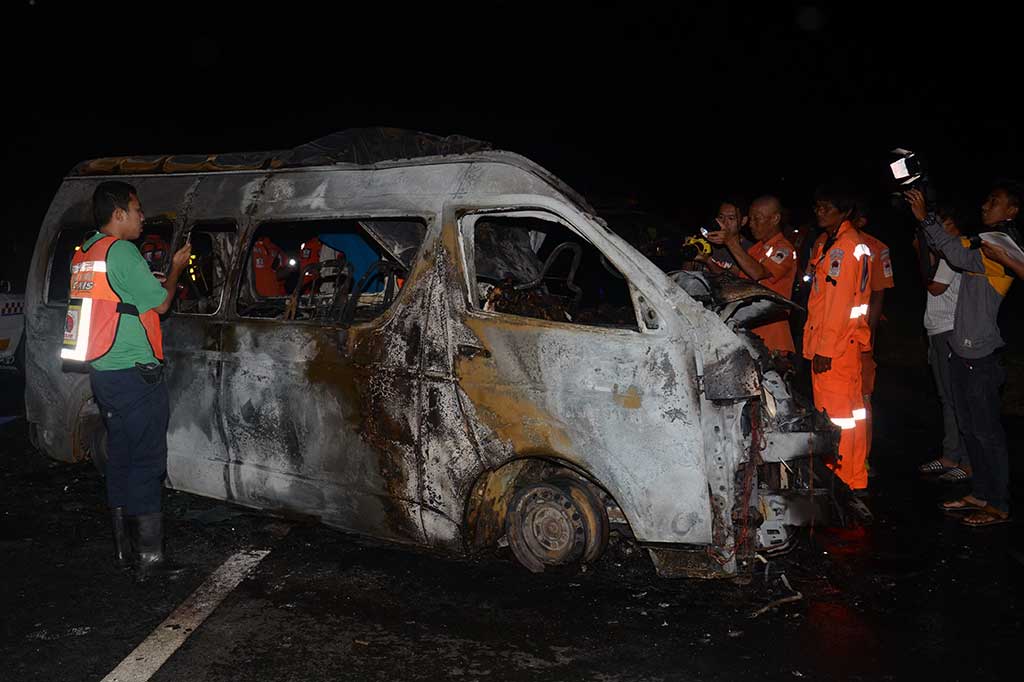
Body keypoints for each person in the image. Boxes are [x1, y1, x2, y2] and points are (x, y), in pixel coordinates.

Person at [70, 181, 191, 579]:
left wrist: (145, 280)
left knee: (120, 456)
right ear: (118, 213)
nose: (143, 217)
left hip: (104, 372)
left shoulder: (88, 251)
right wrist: (175, 268)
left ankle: (124, 551)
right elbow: (161, 303)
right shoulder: (122, 251)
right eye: (137, 210)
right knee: (146, 461)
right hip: (136, 375)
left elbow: (115, 298)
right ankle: (151, 562)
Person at [907, 181, 1020, 526]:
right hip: (962, 348)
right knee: (970, 428)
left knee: (986, 433)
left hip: (981, 355)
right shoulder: (986, 244)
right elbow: (955, 251)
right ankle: (981, 493)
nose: (986, 205)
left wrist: (926, 219)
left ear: (1012, 211)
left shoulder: (1001, 244)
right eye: (987, 199)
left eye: (995, 200)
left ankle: (998, 504)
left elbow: (954, 253)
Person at [803, 186, 873, 493]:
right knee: (851, 416)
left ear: (844, 212)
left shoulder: (844, 247)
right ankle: (852, 476)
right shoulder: (838, 243)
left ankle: (841, 477)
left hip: (835, 347)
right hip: (844, 344)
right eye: (818, 206)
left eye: (827, 207)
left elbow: (840, 305)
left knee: (837, 418)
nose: (820, 211)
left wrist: (825, 350)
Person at [914, 204, 969, 482]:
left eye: (942, 224)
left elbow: (935, 286)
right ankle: (951, 455)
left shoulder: (953, 250)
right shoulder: (945, 253)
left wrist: (922, 254)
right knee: (947, 397)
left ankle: (967, 462)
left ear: (955, 225)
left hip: (950, 330)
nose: (934, 232)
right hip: (938, 330)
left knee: (957, 399)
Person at [706, 195, 797, 354]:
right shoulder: (755, 250)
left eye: (757, 219)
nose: (751, 224)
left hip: (772, 336)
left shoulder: (784, 250)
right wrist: (707, 260)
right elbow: (735, 280)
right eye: (751, 218)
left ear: (775, 218)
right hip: (749, 333)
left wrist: (730, 241)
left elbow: (758, 273)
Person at [852, 200, 895, 475]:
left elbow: (879, 293)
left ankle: (862, 457)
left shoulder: (877, 249)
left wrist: (869, 332)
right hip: (832, 336)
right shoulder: (826, 241)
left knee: (862, 398)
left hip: (860, 335)